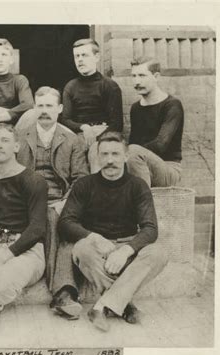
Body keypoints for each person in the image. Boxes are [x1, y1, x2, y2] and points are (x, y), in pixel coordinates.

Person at [57, 131, 165, 332]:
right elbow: (65, 222)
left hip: (127, 249)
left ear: (126, 157)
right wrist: (94, 237)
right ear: (97, 157)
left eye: (115, 154)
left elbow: (150, 228)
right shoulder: (84, 185)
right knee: (81, 249)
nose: (110, 160)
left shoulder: (137, 186)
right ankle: (123, 304)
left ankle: (101, 306)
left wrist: (126, 250)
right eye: (104, 154)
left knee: (159, 253)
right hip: (96, 252)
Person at [15, 86, 89, 319]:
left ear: (59, 109)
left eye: (49, 106)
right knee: (52, 219)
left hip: (61, 199)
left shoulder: (72, 139)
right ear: (34, 109)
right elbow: (10, 173)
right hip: (27, 200)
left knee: (61, 222)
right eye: (40, 106)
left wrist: (66, 201)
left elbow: (81, 179)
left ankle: (64, 293)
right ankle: (62, 292)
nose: (44, 111)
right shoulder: (21, 136)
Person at [0, 123, 48, 321]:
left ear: (16, 146)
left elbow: (37, 228)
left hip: (28, 252)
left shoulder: (34, 180)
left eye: (5, 141)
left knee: (1, 280)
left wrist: (6, 254)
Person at [60, 39, 123, 173]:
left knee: (96, 151)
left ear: (96, 57)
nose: (80, 60)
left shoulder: (109, 86)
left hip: (104, 135)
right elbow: (65, 119)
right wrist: (84, 128)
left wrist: (96, 137)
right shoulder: (70, 87)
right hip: (78, 134)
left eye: (84, 55)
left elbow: (117, 124)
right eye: (77, 56)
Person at [127, 56, 184, 187]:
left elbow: (161, 144)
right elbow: (133, 142)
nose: (136, 81)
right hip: (140, 163)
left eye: (142, 75)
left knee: (132, 151)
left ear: (156, 76)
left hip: (169, 169)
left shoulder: (172, 105)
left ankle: (142, 203)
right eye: (133, 76)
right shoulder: (136, 108)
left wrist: (129, 152)